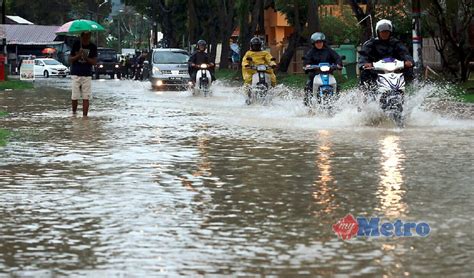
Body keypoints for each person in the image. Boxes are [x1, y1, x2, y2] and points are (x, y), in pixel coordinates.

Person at [358, 19, 414, 89]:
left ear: (390, 32)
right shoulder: (370, 44)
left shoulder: (396, 43)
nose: (385, 34)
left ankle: (409, 87)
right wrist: (364, 64)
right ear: (378, 32)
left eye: (387, 32)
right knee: (365, 74)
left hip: (394, 69)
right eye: (383, 32)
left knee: (409, 70)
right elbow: (364, 55)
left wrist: (408, 61)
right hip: (375, 71)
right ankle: (366, 94)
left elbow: (404, 53)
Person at [303, 32, 343, 106]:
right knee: (308, 86)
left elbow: (337, 57)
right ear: (314, 43)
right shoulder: (310, 52)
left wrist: (338, 64)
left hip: (328, 73)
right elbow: (306, 61)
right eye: (317, 42)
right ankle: (308, 106)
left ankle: (337, 103)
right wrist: (307, 66)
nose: (319, 44)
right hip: (315, 74)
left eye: (320, 42)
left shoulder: (329, 50)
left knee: (337, 86)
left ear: (323, 42)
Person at [69, 32, 97, 117]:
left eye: (88, 36)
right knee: (74, 96)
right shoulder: (76, 44)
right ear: (81, 37)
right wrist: (78, 55)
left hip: (87, 74)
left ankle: (85, 117)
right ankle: (74, 114)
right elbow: (70, 59)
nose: (86, 39)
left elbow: (94, 62)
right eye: (85, 37)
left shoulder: (93, 47)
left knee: (86, 97)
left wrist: (85, 57)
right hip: (75, 74)